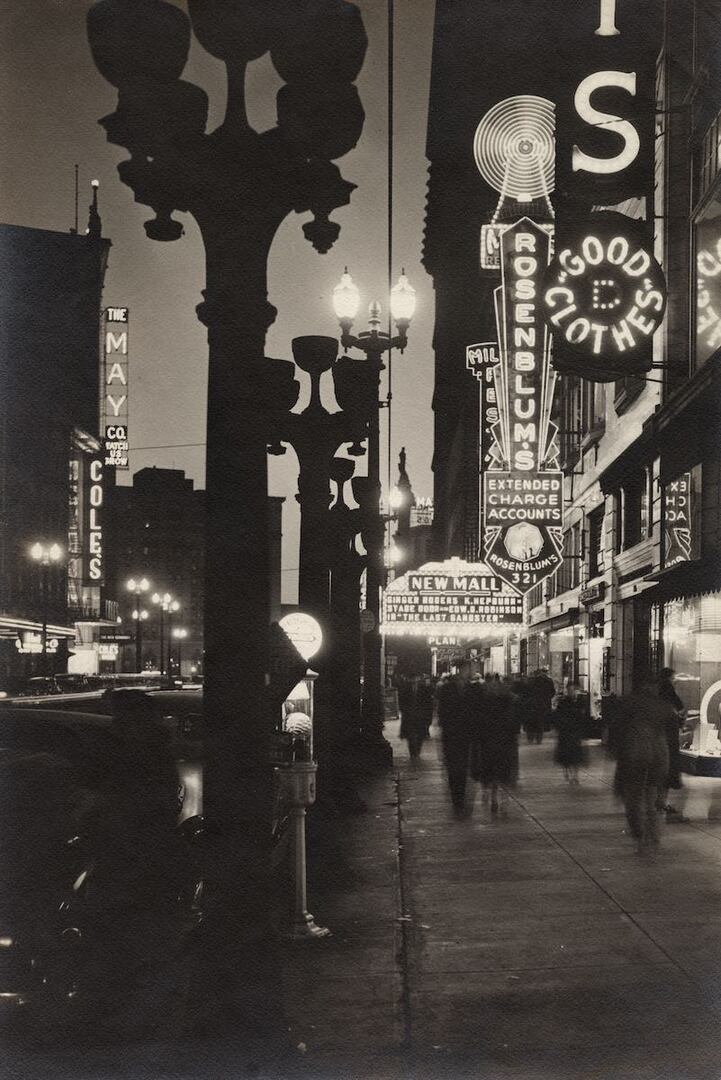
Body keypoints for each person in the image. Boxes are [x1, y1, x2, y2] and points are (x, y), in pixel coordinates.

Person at [614, 684, 672, 855]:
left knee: (634, 801)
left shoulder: (627, 706)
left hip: (634, 761)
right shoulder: (663, 707)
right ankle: (653, 836)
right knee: (651, 800)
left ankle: (640, 838)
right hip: (657, 760)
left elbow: (617, 736)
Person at [465, 675, 520, 814]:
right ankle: (503, 800)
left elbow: (479, 726)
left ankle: (493, 796)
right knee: (504, 773)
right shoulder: (510, 703)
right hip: (505, 743)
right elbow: (514, 725)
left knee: (492, 772)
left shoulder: (485, 705)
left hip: (489, 744)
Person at [436, 665, 472, 816]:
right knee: (456, 769)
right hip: (454, 735)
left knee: (459, 769)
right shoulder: (454, 691)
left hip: (458, 735)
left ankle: (459, 800)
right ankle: (458, 800)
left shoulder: (468, 690)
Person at [655, 668, 687, 820]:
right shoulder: (669, 692)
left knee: (660, 771)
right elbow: (680, 708)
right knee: (666, 771)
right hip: (668, 739)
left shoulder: (657, 693)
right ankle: (661, 802)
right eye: (674, 677)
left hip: (658, 738)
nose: (676, 680)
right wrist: (680, 720)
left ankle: (659, 801)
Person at [553, 682, 588, 783]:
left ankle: (575, 775)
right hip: (566, 732)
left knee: (575, 755)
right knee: (567, 755)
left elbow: (582, 717)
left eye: (573, 690)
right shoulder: (564, 702)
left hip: (575, 732)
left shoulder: (579, 702)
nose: (572, 692)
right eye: (570, 690)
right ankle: (567, 772)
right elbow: (558, 717)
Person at [398, 675, 430, 763]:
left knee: (420, 735)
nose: (414, 680)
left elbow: (427, 702)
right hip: (409, 715)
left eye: (415, 678)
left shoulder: (423, 689)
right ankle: (413, 753)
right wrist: (404, 710)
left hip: (420, 716)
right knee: (410, 735)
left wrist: (426, 715)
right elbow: (401, 701)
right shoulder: (405, 688)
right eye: (412, 678)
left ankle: (417, 750)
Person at [524, 669, 554, 744]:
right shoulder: (548, 681)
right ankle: (539, 739)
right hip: (543, 704)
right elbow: (552, 692)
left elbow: (526, 692)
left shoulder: (530, 681)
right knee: (540, 721)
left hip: (532, 704)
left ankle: (530, 738)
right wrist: (547, 698)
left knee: (531, 721)